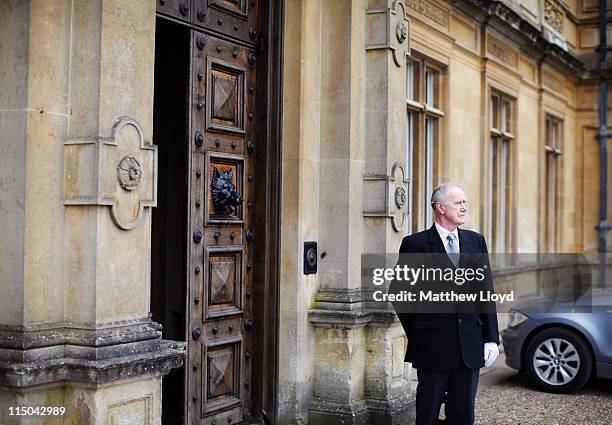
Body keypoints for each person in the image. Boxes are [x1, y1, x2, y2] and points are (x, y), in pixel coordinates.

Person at [395, 183, 499, 425]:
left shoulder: (476, 242)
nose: (465, 207)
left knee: (463, 415)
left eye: (465, 202)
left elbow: (486, 292)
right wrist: (421, 331)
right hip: (432, 348)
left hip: (471, 347)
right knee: (428, 412)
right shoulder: (415, 245)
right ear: (440, 207)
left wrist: (491, 338)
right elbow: (400, 294)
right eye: (458, 202)